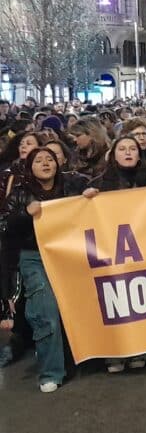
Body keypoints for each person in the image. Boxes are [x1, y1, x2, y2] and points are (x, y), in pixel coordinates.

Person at [0, 148, 89, 392]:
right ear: (30, 167)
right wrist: (24, 215)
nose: (45, 163)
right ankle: (51, 372)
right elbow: (5, 226)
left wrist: (89, 198)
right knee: (45, 310)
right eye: (39, 160)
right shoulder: (19, 194)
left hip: (69, 253)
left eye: (49, 159)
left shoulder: (72, 187)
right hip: (34, 258)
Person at [84, 137, 146, 372]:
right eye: (122, 149)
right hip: (111, 250)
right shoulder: (99, 183)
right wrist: (86, 198)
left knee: (141, 299)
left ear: (139, 155)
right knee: (116, 299)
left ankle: (140, 348)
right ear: (113, 155)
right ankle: (114, 352)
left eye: (132, 149)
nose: (128, 152)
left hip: (143, 248)